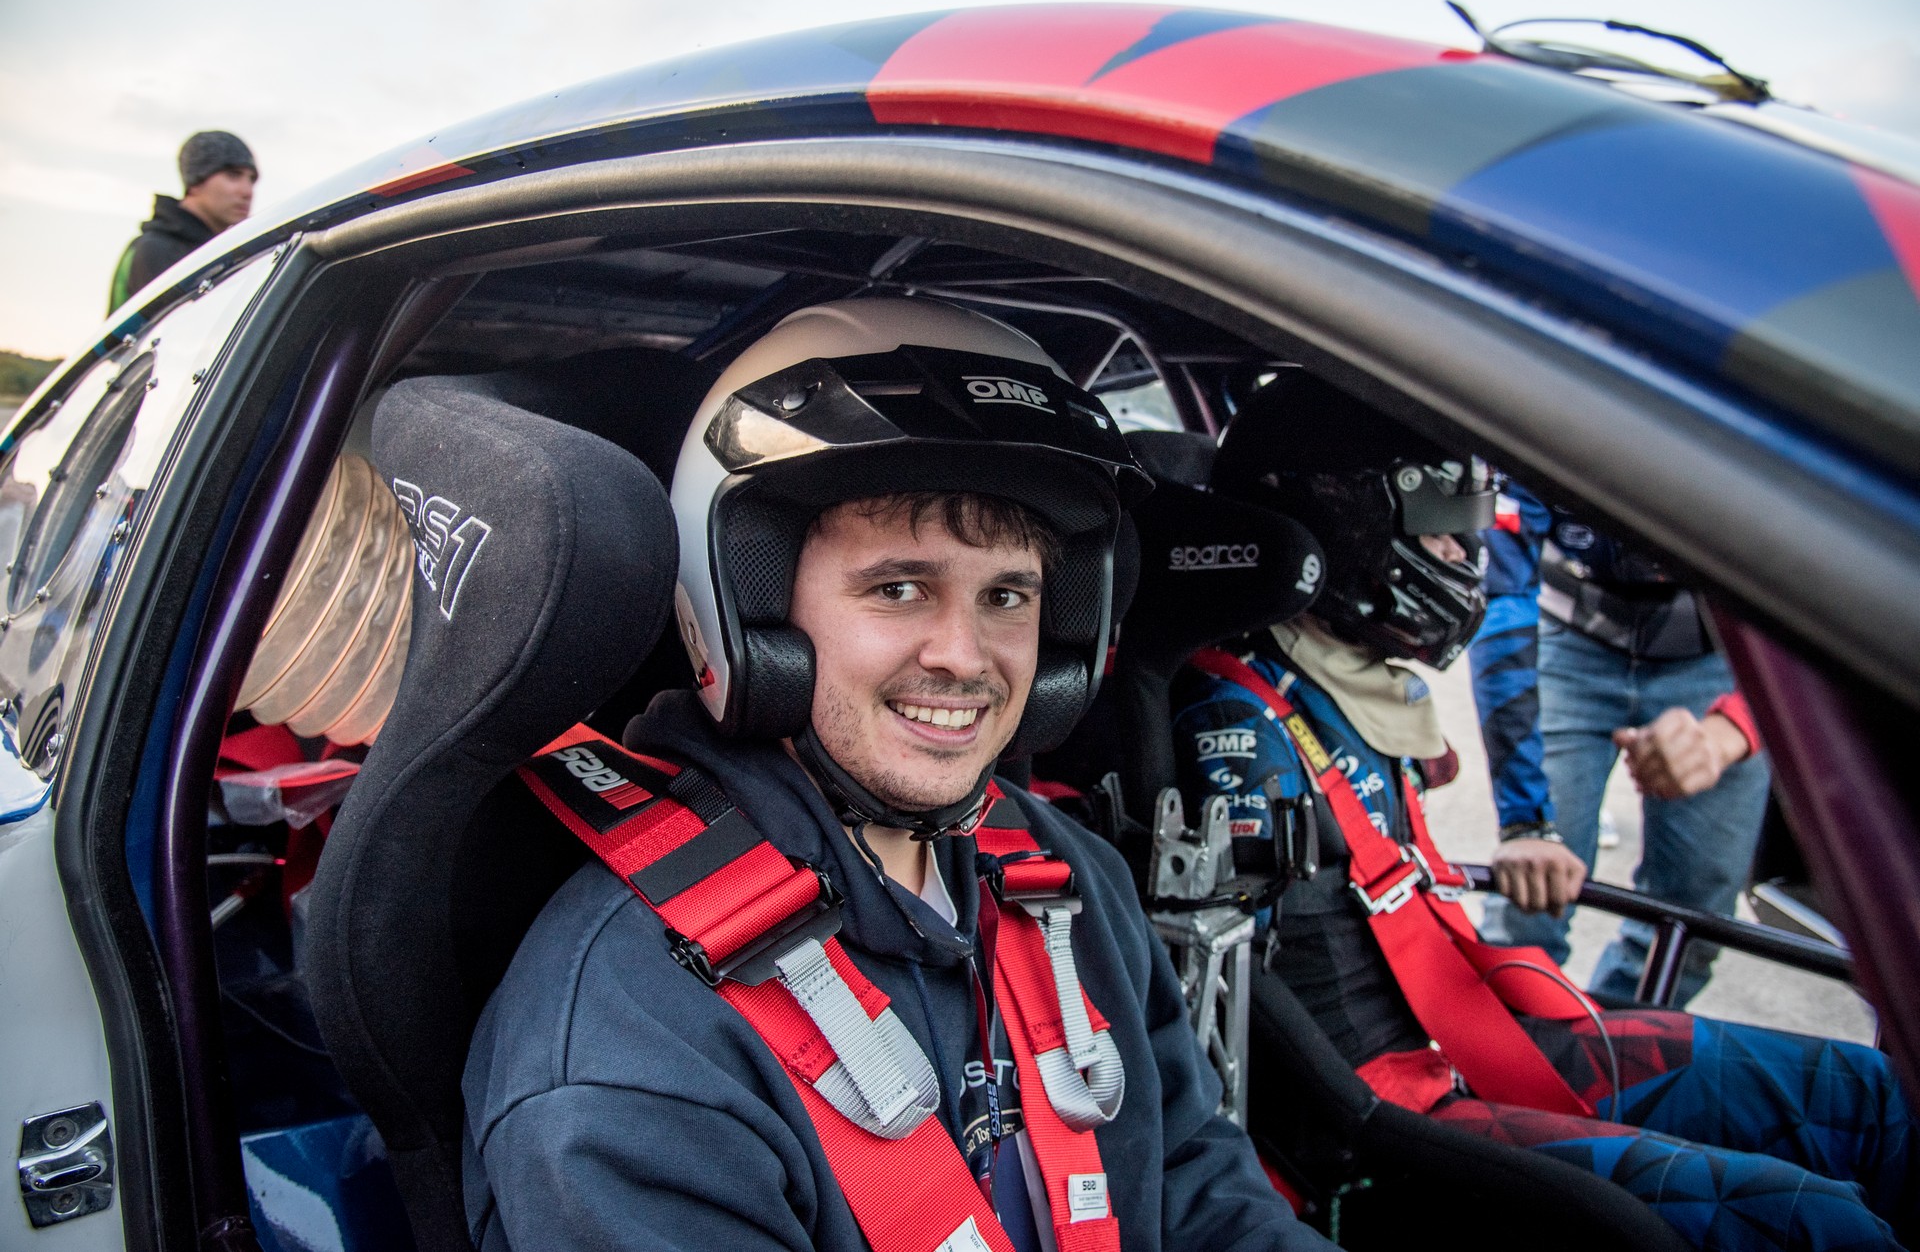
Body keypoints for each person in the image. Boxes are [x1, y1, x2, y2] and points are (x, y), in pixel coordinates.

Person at [463, 298, 1331, 1252]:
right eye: (899, 588)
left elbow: (1192, 1182)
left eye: (1007, 596)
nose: (964, 655)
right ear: (751, 608)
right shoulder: (634, 1040)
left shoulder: (1064, 875)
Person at [1174, 372, 1913, 1252]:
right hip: (1387, 1121)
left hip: (1476, 1033)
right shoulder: (1237, 721)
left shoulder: (1340, 682)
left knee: (1874, 1095)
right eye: (1442, 533)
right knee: (1816, 1224)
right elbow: (1273, 1056)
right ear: (1348, 524)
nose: (1464, 558)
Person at [1470, 480, 1769, 1004]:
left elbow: (1840, 596)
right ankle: (1519, 1064)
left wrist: (1731, 732)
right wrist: (1526, 819)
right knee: (1526, 909)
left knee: (1693, 924)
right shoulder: (1553, 411)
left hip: (1726, 657)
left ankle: (1618, 1065)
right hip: (1570, 641)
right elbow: (1501, 595)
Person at [107, 130, 256, 312]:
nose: (247, 191)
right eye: (233, 175)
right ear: (195, 181)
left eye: (252, 180)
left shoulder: (225, 253)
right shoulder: (154, 250)